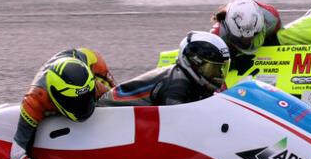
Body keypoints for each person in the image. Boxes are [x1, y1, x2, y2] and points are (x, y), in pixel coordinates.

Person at [10, 48, 116, 159]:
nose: (84, 107)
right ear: (57, 97)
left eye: (86, 99)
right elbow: (16, 155)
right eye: (76, 103)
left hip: (90, 59)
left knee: (116, 97)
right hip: (57, 76)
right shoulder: (35, 99)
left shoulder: (93, 82)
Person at [98, 31, 230, 107]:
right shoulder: (177, 87)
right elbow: (178, 128)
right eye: (213, 69)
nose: (219, 75)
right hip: (109, 115)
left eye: (222, 69)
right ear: (195, 63)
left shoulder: (193, 81)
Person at [211, 0, 282, 57]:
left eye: (253, 36)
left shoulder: (272, 19)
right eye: (242, 39)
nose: (248, 42)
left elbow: (276, 37)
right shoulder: (217, 35)